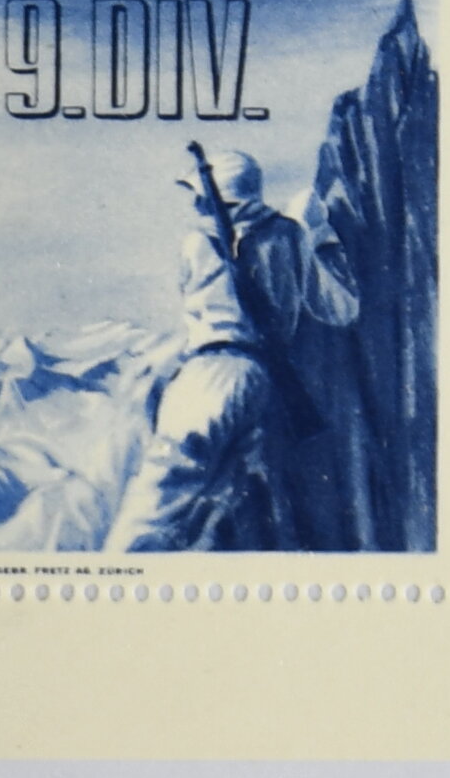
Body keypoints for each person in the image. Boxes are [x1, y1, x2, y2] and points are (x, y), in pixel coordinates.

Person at [107, 144, 362, 556]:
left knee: (157, 498)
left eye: (200, 195)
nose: (196, 203)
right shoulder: (291, 235)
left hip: (210, 375)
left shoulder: (197, 242)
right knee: (231, 509)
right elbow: (342, 309)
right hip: (262, 382)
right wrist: (321, 237)